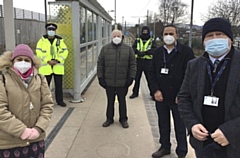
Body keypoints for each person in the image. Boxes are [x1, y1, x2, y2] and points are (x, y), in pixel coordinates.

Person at [178, 17, 240, 158]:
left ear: (230, 38)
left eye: (219, 34)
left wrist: (230, 132)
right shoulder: (194, 65)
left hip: (234, 145)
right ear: (204, 41)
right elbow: (183, 98)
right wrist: (192, 124)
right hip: (203, 143)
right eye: (209, 36)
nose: (214, 38)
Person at [149, 25, 195, 158]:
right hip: (161, 96)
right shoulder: (157, 52)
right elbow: (151, 73)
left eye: (171, 33)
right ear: (162, 36)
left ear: (177, 36)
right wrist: (155, 91)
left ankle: (182, 151)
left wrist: (182, 94)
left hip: (178, 97)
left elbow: (190, 75)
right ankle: (164, 146)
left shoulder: (186, 52)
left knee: (180, 126)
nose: (168, 36)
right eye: (166, 33)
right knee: (163, 123)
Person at [0, 44, 54, 158]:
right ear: (12, 61)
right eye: (19, 59)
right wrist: (22, 131)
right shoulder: (3, 80)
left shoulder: (40, 78)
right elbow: (1, 111)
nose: (23, 63)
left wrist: (38, 128)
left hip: (35, 140)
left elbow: (47, 105)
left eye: (26, 60)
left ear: (32, 62)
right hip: (9, 143)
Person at [97, 29, 136, 128]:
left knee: (122, 101)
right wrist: (100, 77)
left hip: (123, 81)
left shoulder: (128, 49)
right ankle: (109, 119)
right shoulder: (105, 49)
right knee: (110, 101)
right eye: (114, 36)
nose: (116, 38)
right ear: (111, 38)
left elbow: (133, 64)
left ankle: (123, 119)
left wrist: (131, 77)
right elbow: (100, 63)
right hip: (109, 81)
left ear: (122, 37)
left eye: (118, 36)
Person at [36, 23, 68, 107]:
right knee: (45, 86)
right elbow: (38, 52)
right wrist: (47, 61)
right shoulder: (42, 40)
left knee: (59, 85)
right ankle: (45, 102)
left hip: (57, 66)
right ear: (46, 30)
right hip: (46, 67)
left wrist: (58, 60)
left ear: (55, 31)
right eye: (49, 30)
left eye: (53, 30)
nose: (51, 31)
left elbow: (65, 51)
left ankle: (60, 101)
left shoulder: (59, 40)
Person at [129, 26, 157, 99]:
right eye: (143, 31)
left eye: (146, 31)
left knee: (150, 78)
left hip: (148, 62)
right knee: (137, 78)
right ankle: (135, 93)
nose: (145, 33)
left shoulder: (151, 40)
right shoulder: (138, 40)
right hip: (139, 61)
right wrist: (138, 52)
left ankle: (153, 93)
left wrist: (146, 53)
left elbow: (155, 50)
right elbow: (133, 48)